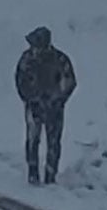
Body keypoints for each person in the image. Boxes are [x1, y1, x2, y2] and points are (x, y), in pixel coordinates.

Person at [14, 26, 76, 185]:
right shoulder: (26, 59)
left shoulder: (60, 59)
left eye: (35, 45)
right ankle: (33, 172)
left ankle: (50, 175)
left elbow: (69, 82)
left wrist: (57, 99)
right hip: (33, 107)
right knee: (32, 140)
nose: (33, 49)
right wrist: (29, 99)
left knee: (53, 142)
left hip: (54, 109)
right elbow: (20, 81)